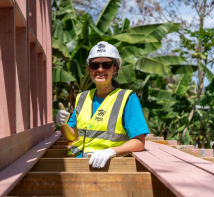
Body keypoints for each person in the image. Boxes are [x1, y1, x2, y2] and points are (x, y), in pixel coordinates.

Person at [56, 41, 149, 169]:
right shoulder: (82, 97)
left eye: (106, 65)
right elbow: (72, 135)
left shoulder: (127, 98)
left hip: (110, 166)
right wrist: (63, 124)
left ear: (114, 69)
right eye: (95, 65)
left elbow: (139, 142)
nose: (100, 69)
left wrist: (111, 152)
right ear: (89, 70)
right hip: (78, 164)